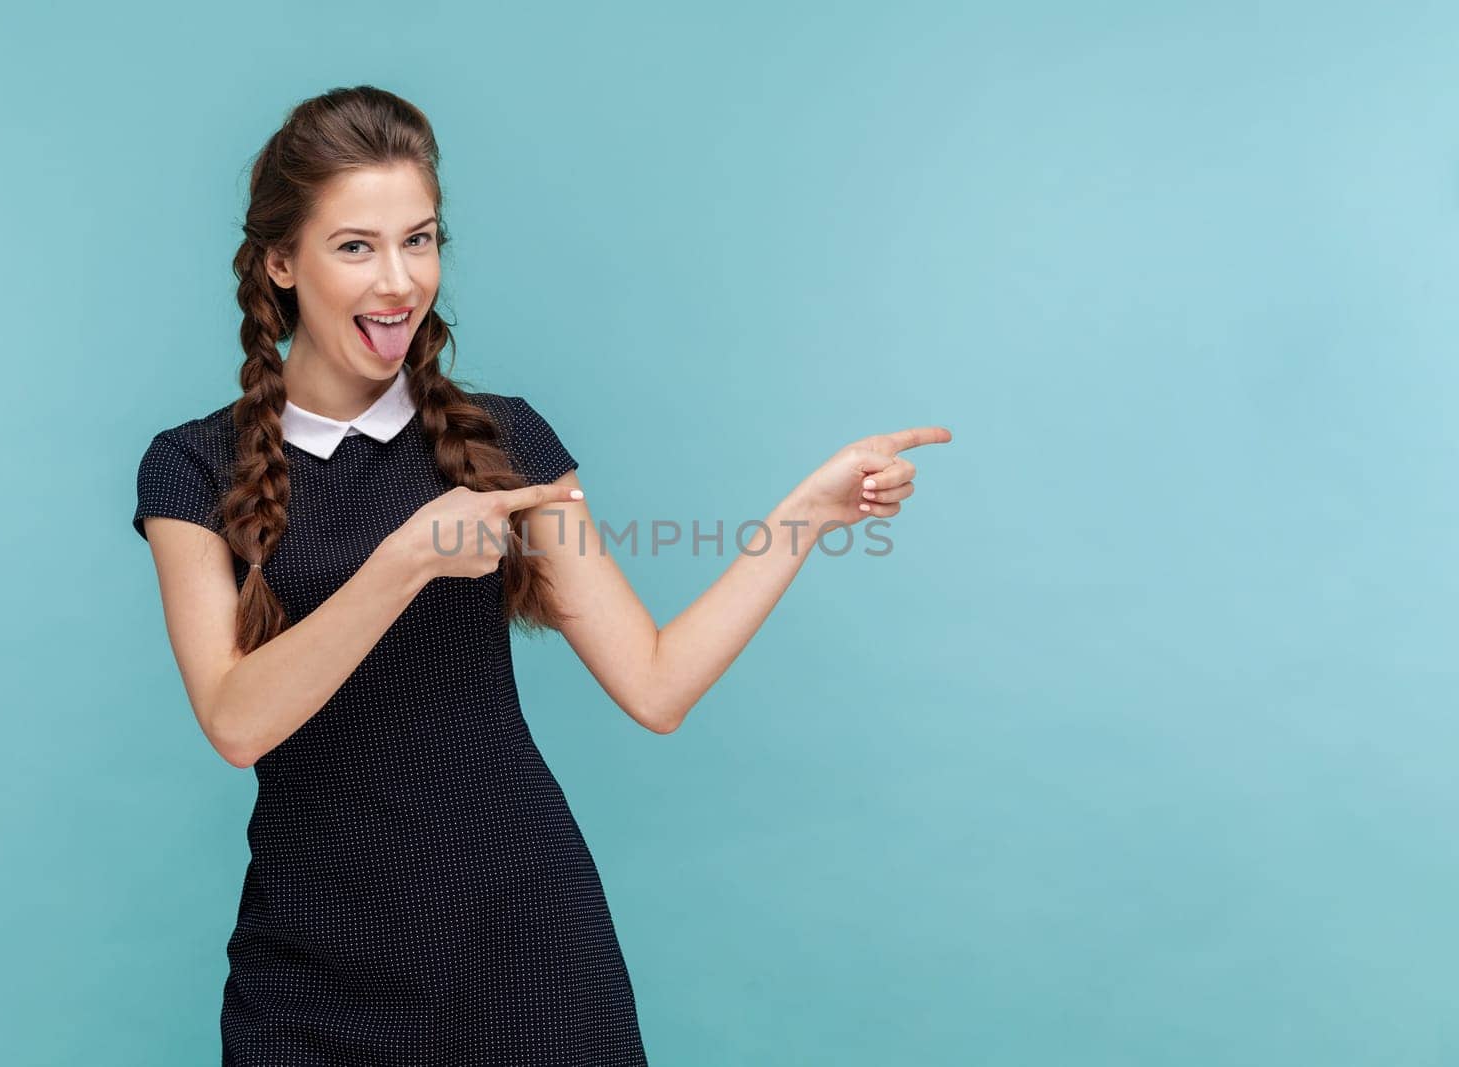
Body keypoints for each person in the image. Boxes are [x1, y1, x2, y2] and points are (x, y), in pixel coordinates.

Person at [132, 84, 950, 1065]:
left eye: (420, 239)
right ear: (280, 262)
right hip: (312, 965)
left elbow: (655, 683)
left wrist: (804, 517)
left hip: (525, 952)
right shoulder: (191, 466)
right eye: (356, 246)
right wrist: (404, 561)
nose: (398, 281)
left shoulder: (504, 439)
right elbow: (234, 718)